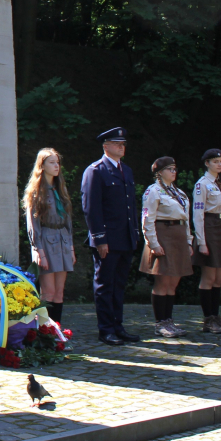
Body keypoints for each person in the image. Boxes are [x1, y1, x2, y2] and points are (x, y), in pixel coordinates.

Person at [80, 127, 141, 346]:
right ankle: (106, 329)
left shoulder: (126, 170)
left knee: (119, 284)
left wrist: (134, 234)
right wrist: (100, 239)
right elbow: (91, 208)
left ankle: (118, 326)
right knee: (105, 284)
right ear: (106, 146)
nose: (121, 147)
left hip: (124, 237)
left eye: (123, 144)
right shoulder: (95, 170)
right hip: (108, 238)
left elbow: (130, 206)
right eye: (117, 144)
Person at [139, 157, 194, 338]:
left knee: (173, 282)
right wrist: (153, 243)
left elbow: (186, 220)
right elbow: (148, 219)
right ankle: (160, 323)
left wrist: (188, 241)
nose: (174, 172)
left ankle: (169, 321)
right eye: (169, 169)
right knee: (163, 281)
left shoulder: (180, 193)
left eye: (175, 168)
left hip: (178, 237)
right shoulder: (153, 191)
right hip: (163, 235)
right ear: (159, 172)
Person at [22, 148, 74, 327]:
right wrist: (38, 251)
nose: (56, 166)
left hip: (63, 241)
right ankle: (44, 332)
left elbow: (68, 221)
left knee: (59, 292)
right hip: (46, 241)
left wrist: (71, 248)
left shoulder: (60, 189)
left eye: (57, 162)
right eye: (52, 162)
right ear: (42, 166)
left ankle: (57, 333)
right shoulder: (37, 191)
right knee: (48, 292)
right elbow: (33, 224)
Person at [193, 148, 221, 334]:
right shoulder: (202, 184)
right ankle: (208, 319)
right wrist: (201, 241)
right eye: (215, 161)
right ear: (206, 163)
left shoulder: (220, 183)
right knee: (209, 277)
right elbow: (198, 214)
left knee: (218, 278)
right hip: (209, 228)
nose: (219, 164)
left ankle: (216, 317)